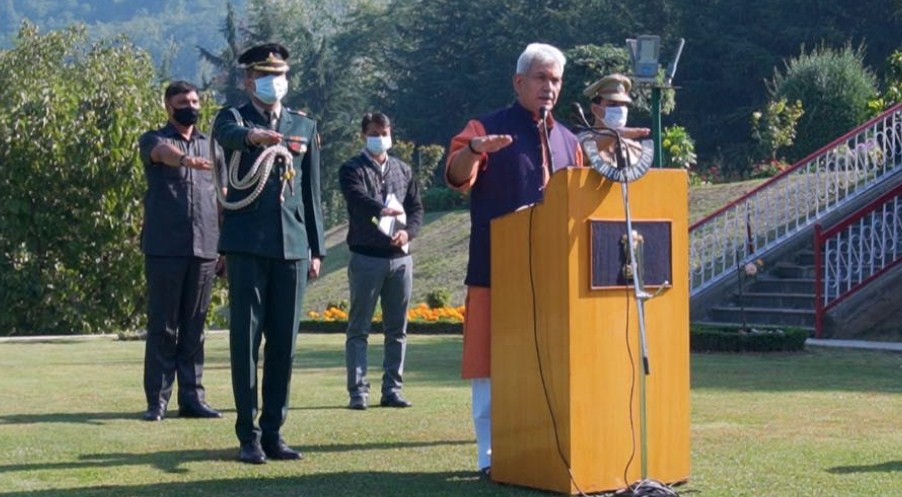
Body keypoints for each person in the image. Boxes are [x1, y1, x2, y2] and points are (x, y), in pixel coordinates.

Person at [444, 43, 583, 475]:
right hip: (496, 271)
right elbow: (454, 175)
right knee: (490, 367)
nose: (549, 87)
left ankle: (543, 453)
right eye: (541, 78)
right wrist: (475, 151)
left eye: (556, 80)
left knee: (550, 363)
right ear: (519, 82)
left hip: (553, 277)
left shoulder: (570, 140)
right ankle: (489, 457)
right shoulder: (484, 126)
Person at [212, 43, 326, 465]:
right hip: (247, 244)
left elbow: (311, 194)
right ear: (248, 80)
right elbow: (226, 137)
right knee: (246, 341)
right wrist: (251, 137)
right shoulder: (233, 117)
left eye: (280, 74)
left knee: (284, 344)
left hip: (292, 247)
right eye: (264, 74)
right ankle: (249, 434)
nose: (274, 81)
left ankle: (274, 430)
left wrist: (316, 248)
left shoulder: (303, 124)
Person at [138, 80, 225, 422]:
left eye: (194, 100)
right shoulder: (154, 140)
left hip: (205, 248)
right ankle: (157, 401)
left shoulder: (212, 146)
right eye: (182, 101)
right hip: (165, 248)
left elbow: (223, 199)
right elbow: (163, 155)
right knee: (164, 325)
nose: (190, 105)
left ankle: (192, 398)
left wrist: (224, 248)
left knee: (195, 326)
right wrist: (187, 160)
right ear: (168, 106)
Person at [338, 112, 423, 411]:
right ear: (364, 135)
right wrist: (380, 211)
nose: (380, 137)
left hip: (401, 259)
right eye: (374, 132)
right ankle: (358, 392)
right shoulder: (352, 168)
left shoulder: (402, 169)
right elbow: (357, 199)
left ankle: (392, 389)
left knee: (397, 329)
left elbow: (415, 208)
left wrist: (407, 233)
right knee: (359, 328)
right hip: (366, 257)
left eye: (384, 131)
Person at [583, 73, 650, 165]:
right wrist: (616, 133)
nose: (620, 109)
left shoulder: (634, 149)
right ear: (595, 109)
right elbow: (583, 154)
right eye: (612, 104)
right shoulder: (582, 140)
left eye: (623, 104)